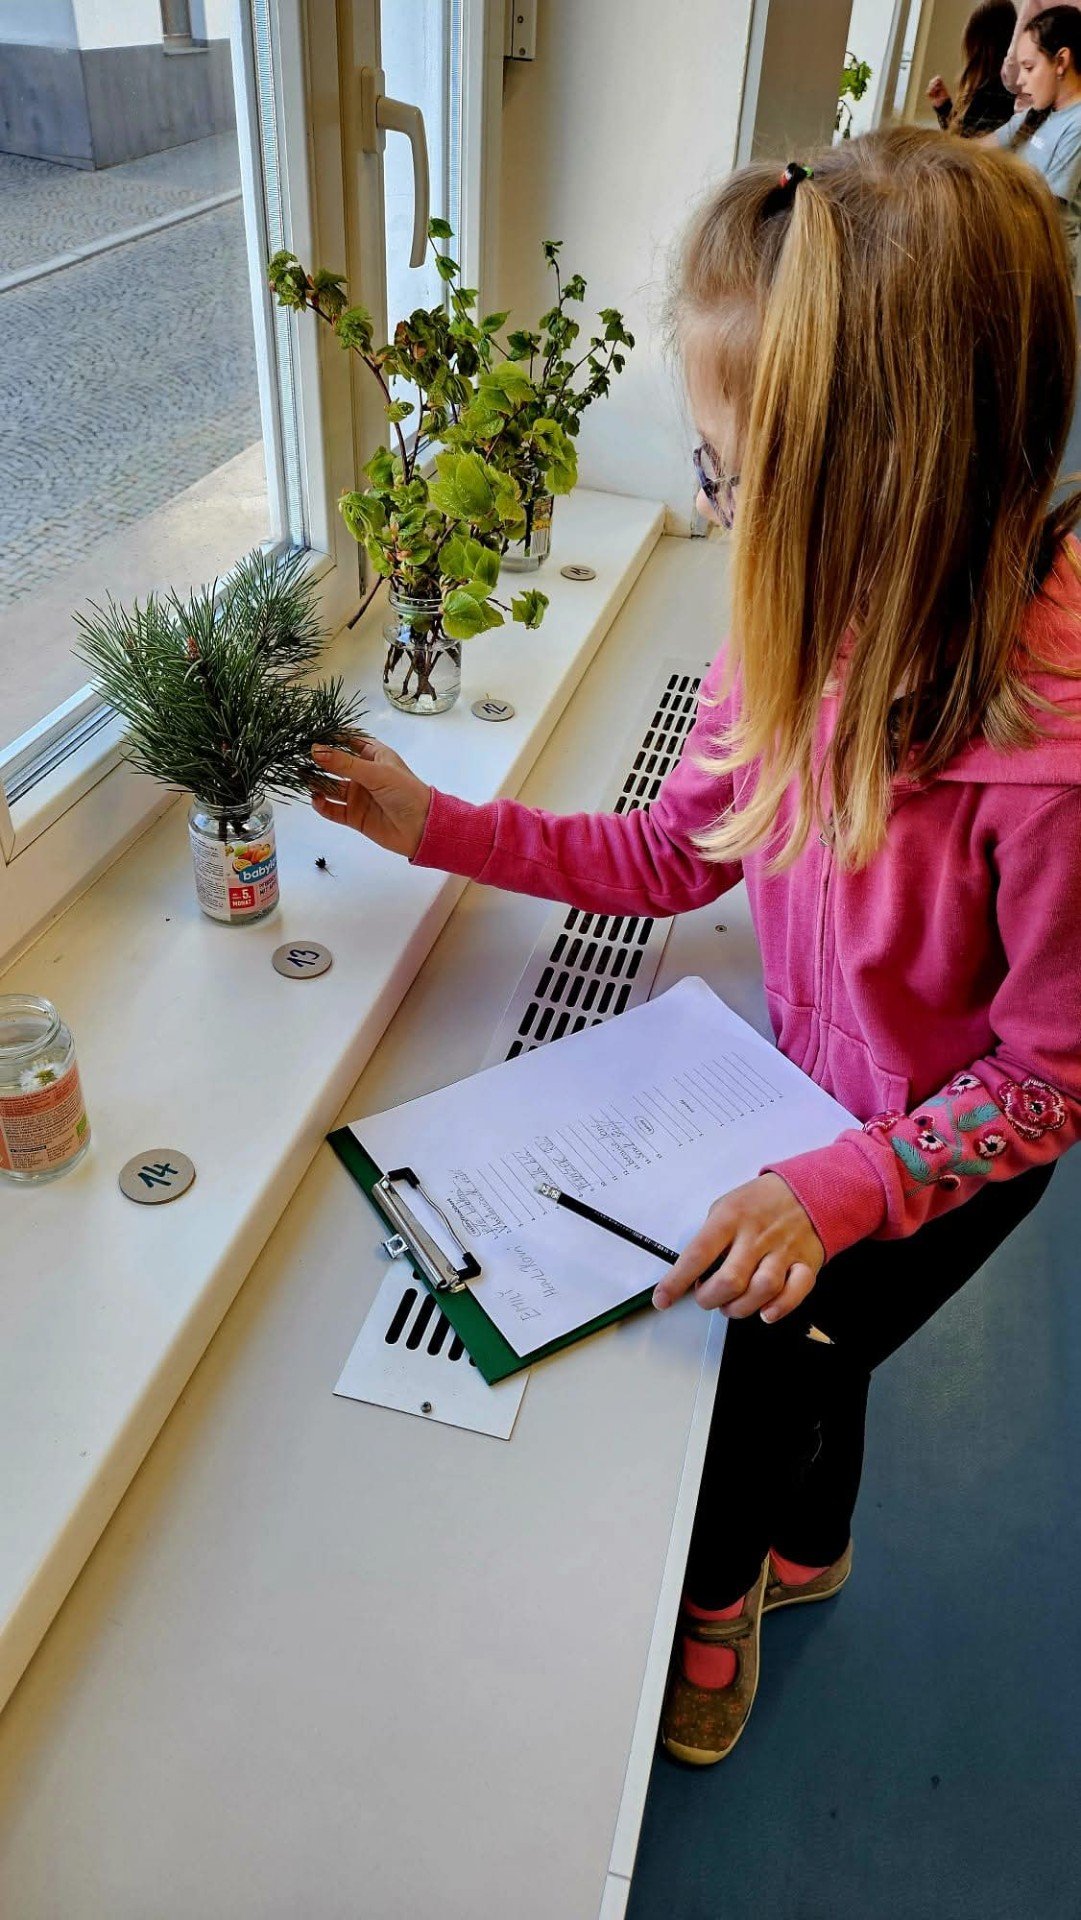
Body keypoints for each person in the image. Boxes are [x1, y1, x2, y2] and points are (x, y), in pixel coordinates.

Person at [307, 129, 1081, 1767]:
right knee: (820, 1358)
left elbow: (1046, 1080)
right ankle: (815, 1549)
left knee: (772, 1371)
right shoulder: (795, 629)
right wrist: (438, 825)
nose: (710, 507)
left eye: (729, 474)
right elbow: (673, 853)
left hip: (939, 1158)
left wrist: (843, 1187)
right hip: (811, 1104)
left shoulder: (1049, 765)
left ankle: (720, 1600)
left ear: (877, 479)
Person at [995, 7, 1081, 283]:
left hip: (1046, 273)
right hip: (1016, 257)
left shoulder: (1077, 124)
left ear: (1061, 61)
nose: (1020, 80)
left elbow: (1042, 207)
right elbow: (981, 147)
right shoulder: (1035, 113)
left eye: (1029, 67)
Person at [927, 1, 1016, 136]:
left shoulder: (993, 94)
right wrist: (944, 106)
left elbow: (962, 144)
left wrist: (945, 110)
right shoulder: (1001, 89)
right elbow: (964, 138)